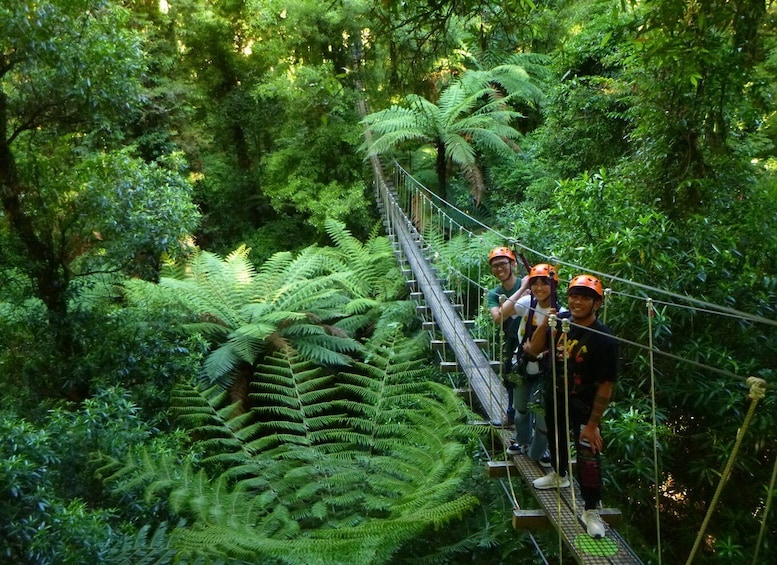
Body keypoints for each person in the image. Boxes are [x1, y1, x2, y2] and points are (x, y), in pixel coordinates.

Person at [526, 274, 618, 539]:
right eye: (574, 296)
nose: (577, 302)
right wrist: (547, 322)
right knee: (554, 434)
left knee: (588, 455)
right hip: (556, 392)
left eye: (585, 297)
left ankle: (591, 510)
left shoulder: (604, 340)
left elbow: (606, 386)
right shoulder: (561, 321)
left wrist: (592, 425)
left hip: (585, 403)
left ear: (597, 303)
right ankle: (559, 473)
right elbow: (534, 350)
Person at [499, 264, 566, 467]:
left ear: (553, 286)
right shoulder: (528, 302)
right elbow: (503, 312)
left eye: (544, 283)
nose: (539, 288)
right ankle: (521, 441)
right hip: (524, 366)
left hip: (546, 370)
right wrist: (523, 287)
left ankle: (538, 451)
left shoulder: (562, 313)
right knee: (521, 410)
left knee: (543, 417)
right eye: (535, 283)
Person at [486, 246, 525, 426]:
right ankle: (511, 414)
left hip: (530, 340)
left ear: (512, 264)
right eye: (495, 266)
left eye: (503, 264)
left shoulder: (531, 285)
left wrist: (506, 309)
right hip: (511, 340)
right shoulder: (494, 293)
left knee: (529, 381)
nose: (499, 269)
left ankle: (526, 423)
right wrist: (522, 291)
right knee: (509, 378)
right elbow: (498, 318)